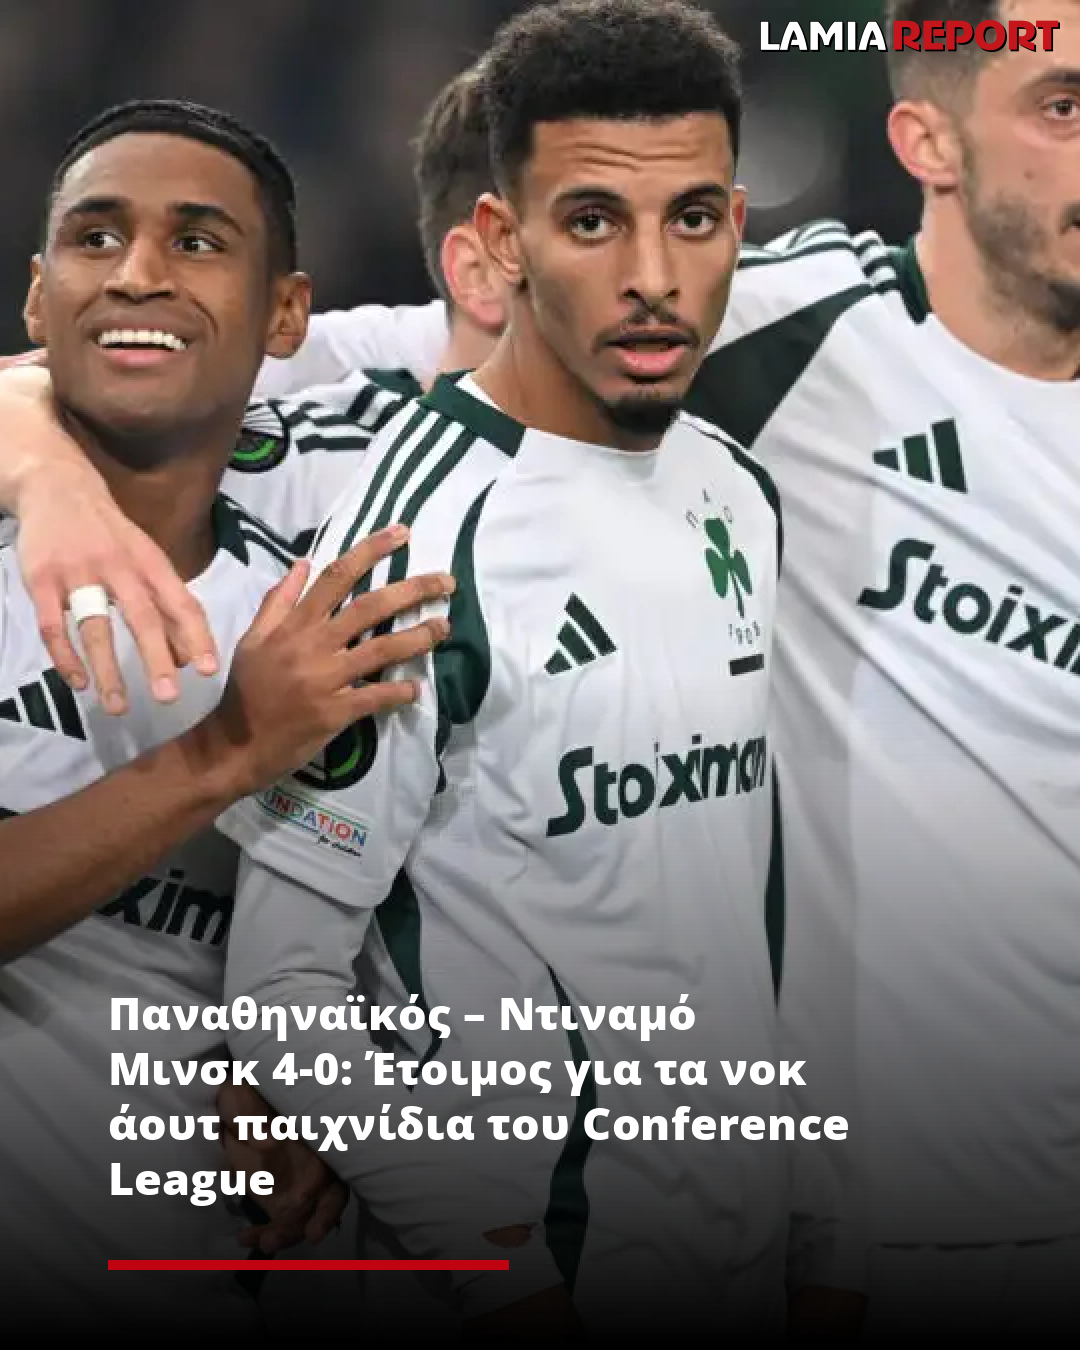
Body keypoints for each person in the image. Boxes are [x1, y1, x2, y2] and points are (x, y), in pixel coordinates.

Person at [218, 0, 795, 1340]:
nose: (653, 275)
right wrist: (503, 1271)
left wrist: (822, 1231)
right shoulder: (408, 540)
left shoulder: (738, 491)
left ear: (736, 224)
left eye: (692, 219)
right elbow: (283, 988)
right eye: (593, 221)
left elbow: (739, 892)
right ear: (500, 242)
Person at [0, 98, 454, 1341]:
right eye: (95, 238)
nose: (137, 273)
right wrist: (227, 753)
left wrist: (308, 1087)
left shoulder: (322, 600)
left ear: (287, 316)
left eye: (197, 242)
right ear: (38, 300)